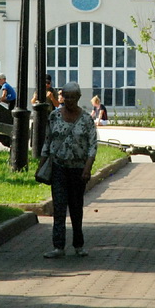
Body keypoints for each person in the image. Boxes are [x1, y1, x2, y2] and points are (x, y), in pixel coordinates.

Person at [40, 81, 97, 259]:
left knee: (76, 208)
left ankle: (78, 245)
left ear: (79, 98)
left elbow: (92, 146)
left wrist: (87, 169)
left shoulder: (87, 119)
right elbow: (47, 142)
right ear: (62, 97)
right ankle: (58, 247)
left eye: (73, 97)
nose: (70, 101)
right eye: (66, 97)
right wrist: (41, 165)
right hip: (58, 167)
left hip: (78, 170)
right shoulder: (54, 116)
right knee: (59, 207)